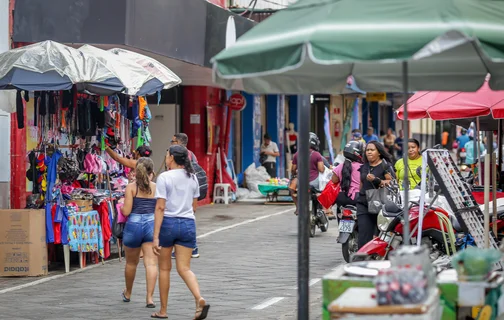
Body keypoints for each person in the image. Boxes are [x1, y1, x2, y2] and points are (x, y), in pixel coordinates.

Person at [152, 145, 210, 320]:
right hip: (188, 224)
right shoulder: (192, 177)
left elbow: (160, 207)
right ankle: (199, 298)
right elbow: (194, 207)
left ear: (172, 158)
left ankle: (163, 311)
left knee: (164, 269)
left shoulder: (164, 177)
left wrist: (155, 236)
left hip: (168, 224)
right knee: (184, 268)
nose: (166, 157)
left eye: (167, 154)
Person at [121, 158, 158, 309]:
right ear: (151, 172)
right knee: (150, 263)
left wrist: (121, 206)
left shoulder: (131, 187)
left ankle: (128, 293)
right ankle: (149, 298)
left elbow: (126, 211)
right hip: (151, 224)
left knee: (131, 263)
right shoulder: (157, 187)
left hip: (134, 225)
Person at [356, 141, 395, 248]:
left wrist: (377, 180)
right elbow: (362, 184)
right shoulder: (364, 167)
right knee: (363, 236)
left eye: (372, 150)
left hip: (381, 205)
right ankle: (362, 260)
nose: (369, 152)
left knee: (380, 237)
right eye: (367, 150)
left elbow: (392, 183)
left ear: (379, 152)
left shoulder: (385, 166)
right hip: (364, 204)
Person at [169, 133, 200, 259]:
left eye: (173, 141)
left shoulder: (177, 155)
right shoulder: (192, 154)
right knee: (188, 217)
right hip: (189, 192)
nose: (171, 143)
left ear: (178, 142)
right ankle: (192, 247)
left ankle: (186, 247)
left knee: (178, 218)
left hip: (180, 192)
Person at [290, 132, 326, 216]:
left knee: (292, 189)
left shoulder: (297, 154)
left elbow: (293, 169)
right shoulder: (317, 154)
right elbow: (321, 169)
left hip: (301, 182)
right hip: (314, 182)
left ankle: (298, 207)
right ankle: (322, 208)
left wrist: (295, 174)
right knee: (321, 191)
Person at [331, 141, 364, 207]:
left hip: (341, 197)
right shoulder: (363, 167)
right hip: (357, 197)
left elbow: (334, 180)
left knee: (339, 213)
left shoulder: (340, 166)